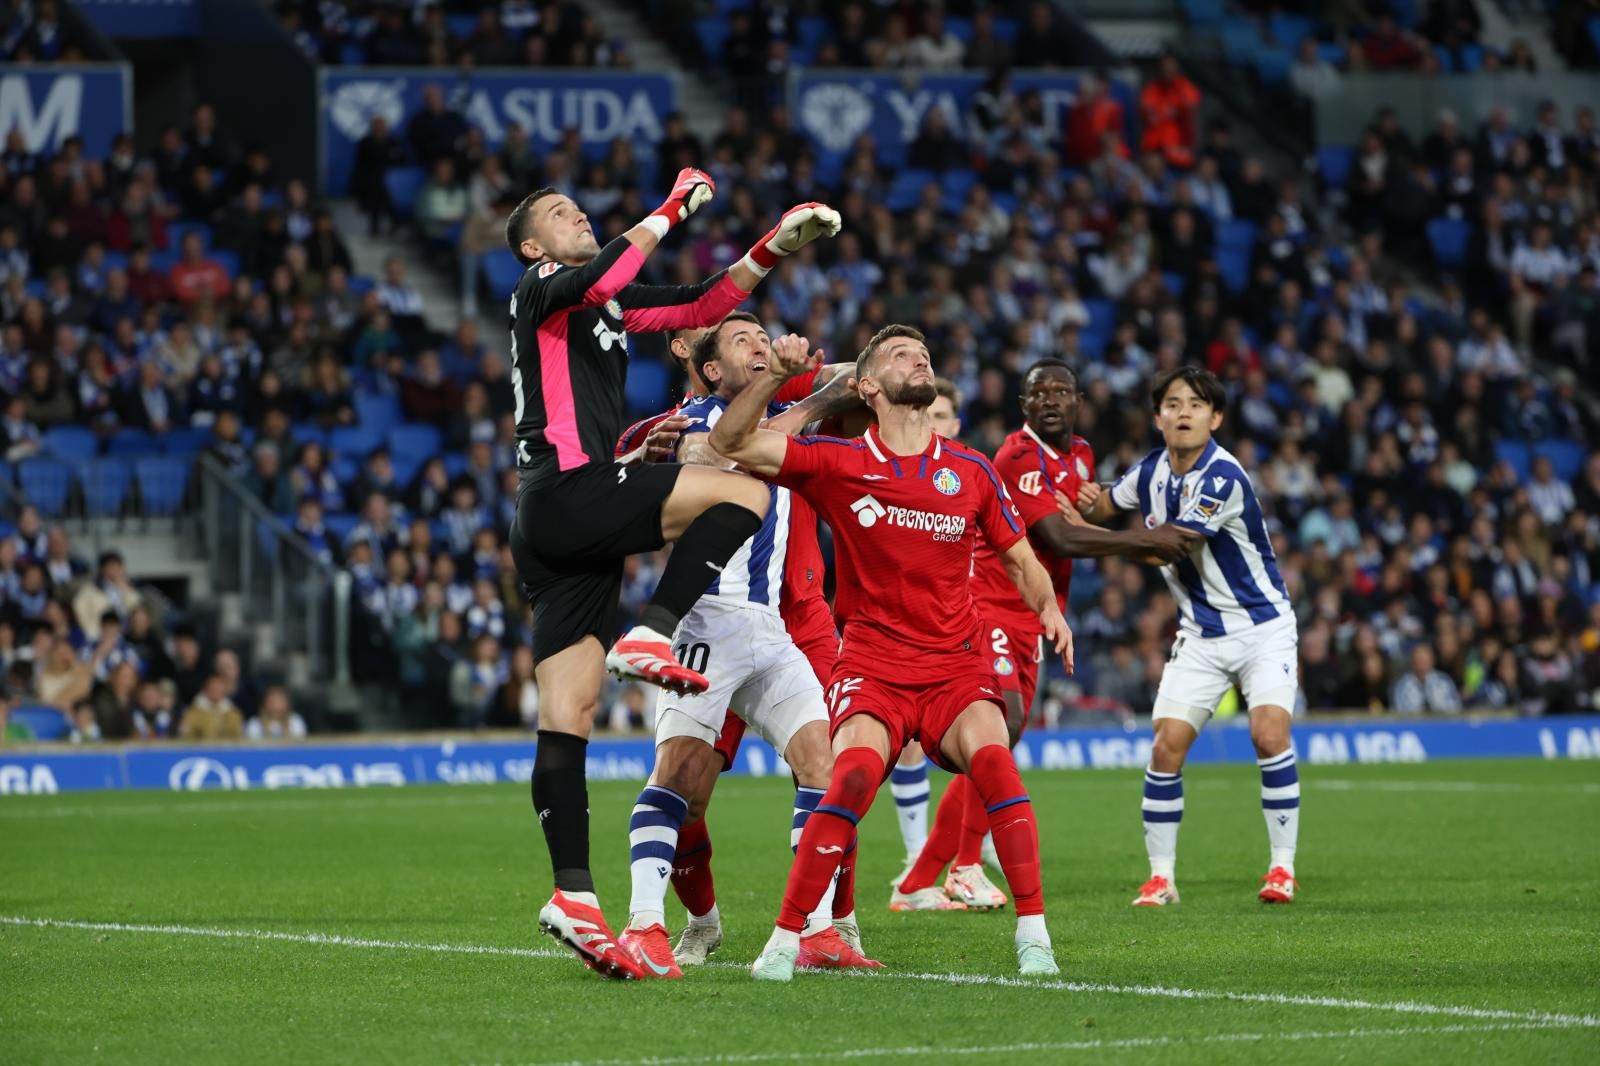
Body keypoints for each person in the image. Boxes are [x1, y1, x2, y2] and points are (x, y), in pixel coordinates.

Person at [502, 170, 844, 979]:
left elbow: (698, 305)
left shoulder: (606, 305)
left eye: (578, 207)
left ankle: (575, 895)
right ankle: (653, 629)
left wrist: (770, 249)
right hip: (571, 487)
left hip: (556, 531)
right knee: (744, 492)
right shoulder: (542, 286)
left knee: (568, 715)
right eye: (560, 213)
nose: (577, 214)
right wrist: (668, 206)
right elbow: (609, 272)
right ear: (530, 246)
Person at [710, 325, 1071, 981]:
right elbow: (729, 443)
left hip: (956, 667)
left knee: (996, 764)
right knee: (847, 781)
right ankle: (787, 941)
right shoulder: (838, 462)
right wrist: (781, 381)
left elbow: (1021, 558)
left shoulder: (971, 470)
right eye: (901, 354)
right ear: (868, 386)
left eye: (925, 352)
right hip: (874, 667)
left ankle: (1035, 937)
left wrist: (1047, 608)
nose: (920, 357)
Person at [617, 313, 873, 978]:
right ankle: (649, 924)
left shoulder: (782, 404)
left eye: (764, 337)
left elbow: (857, 378)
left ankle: (819, 930)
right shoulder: (696, 419)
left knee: (825, 764)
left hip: (771, 626)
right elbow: (733, 445)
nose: (759, 345)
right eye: (741, 341)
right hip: (706, 618)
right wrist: (811, 395)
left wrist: (886, 372)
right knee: (680, 780)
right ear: (709, 370)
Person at [893, 361, 1199, 912]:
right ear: (1024, 404)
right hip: (989, 607)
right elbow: (1059, 536)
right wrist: (1142, 542)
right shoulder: (1017, 457)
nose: (1052, 400)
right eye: (1041, 393)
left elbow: (1082, 516)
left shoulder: (1078, 454)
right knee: (999, 728)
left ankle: (918, 881)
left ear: (1079, 401)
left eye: (1062, 391)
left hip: (1035, 616)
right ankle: (964, 867)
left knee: (1001, 741)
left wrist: (1104, 513)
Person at [1076, 366, 1302, 907]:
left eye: (1197, 404)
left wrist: (1091, 539)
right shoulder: (1150, 470)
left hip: (1262, 627)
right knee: (1165, 746)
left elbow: (1170, 545)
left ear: (1215, 418)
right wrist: (1075, 497)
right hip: (1200, 634)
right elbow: (1107, 503)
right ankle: (1161, 878)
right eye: (1172, 403)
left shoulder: (1222, 477)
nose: (1183, 412)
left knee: (1269, 735)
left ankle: (1281, 869)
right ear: (1157, 417)